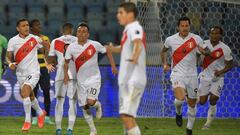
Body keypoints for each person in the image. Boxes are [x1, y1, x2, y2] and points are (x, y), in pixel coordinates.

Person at [64, 22, 117, 135]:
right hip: (80, 81)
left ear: (88, 34)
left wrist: (113, 66)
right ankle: (93, 130)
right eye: (79, 31)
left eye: (84, 31)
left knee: (91, 102)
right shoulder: (71, 48)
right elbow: (66, 62)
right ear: (76, 33)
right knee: (84, 106)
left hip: (94, 78)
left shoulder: (94, 45)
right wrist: (65, 76)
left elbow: (107, 50)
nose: (81, 33)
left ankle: (97, 105)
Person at [160, 16, 208, 135]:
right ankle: (179, 112)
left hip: (192, 75)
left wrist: (203, 52)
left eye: (187, 26)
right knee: (180, 98)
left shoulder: (196, 39)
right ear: (178, 27)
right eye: (182, 26)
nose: (185, 28)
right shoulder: (170, 39)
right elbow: (163, 51)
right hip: (177, 74)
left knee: (192, 103)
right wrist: (165, 64)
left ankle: (189, 129)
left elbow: (206, 52)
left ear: (189, 26)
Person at [108, 2, 147, 135]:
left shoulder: (135, 28)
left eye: (121, 13)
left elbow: (138, 43)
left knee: (126, 116)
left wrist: (135, 56)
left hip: (133, 79)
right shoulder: (127, 29)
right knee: (127, 117)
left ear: (130, 15)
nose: (118, 15)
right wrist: (112, 48)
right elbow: (125, 48)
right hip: (127, 79)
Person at [6, 18, 48, 131]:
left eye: (27, 25)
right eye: (23, 26)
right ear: (18, 28)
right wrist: (10, 64)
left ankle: (27, 121)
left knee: (25, 91)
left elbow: (44, 49)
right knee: (29, 95)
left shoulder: (34, 38)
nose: (27, 27)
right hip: (20, 73)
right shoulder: (12, 41)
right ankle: (40, 113)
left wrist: (46, 49)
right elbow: (8, 56)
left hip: (33, 71)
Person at [198, 26, 233, 130]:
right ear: (209, 34)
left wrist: (221, 72)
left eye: (217, 33)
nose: (214, 35)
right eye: (212, 33)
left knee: (213, 99)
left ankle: (207, 124)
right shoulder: (203, 44)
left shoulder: (225, 48)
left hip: (218, 78)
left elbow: (230, 65)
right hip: (205, 76)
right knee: (202, 101)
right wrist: (202, 54)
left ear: (221, 35)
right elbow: (197, 50)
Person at [48, 23, 78, 135]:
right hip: (74, 74)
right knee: (72, 101)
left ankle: (58, 129)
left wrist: (52, 63)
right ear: (73, 30)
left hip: (61, 73)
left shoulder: (55, 41)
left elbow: (51, 59)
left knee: (60, 101)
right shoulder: (77, 40)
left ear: (62, 30)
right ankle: (70, 129)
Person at [30, 19, 54, 125]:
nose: (39, 26)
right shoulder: (28, 39)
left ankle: (47, 117)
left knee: (46, 92)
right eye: (36, 25)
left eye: (39, 25)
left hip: (44, 68)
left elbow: (48, 53)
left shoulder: (45, 38)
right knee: (33, 94)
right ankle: (34, 117)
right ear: (31, 28)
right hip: (32, 69)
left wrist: (49, 63)